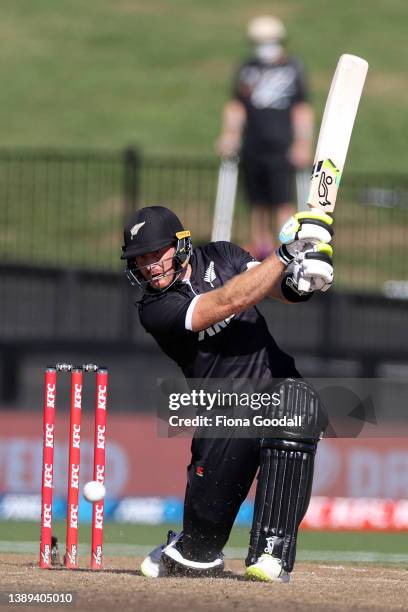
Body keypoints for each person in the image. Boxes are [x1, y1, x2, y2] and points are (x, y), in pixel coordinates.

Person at [121, 205, 333, 582]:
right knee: (196, 559)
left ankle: (272, 552)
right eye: (140, 259)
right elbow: (224, 303)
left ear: (180, 245)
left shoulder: (223, 254)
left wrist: (302, 278)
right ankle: (188, 546)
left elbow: (274, 287)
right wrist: (285, 253)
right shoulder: (154, 309)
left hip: (274, 385)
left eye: (156, 254)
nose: (149, 265)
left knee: (298, 404)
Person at [217, 15, 314, 259]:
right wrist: (230, 134)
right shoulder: (248, 69)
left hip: (281, 146)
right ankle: (260, 246)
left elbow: (301, 108)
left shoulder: (293, 68)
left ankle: (287, 247)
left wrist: (302, 142)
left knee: (282, 200)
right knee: (257, 200)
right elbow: (236, 105)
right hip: (253, 145)